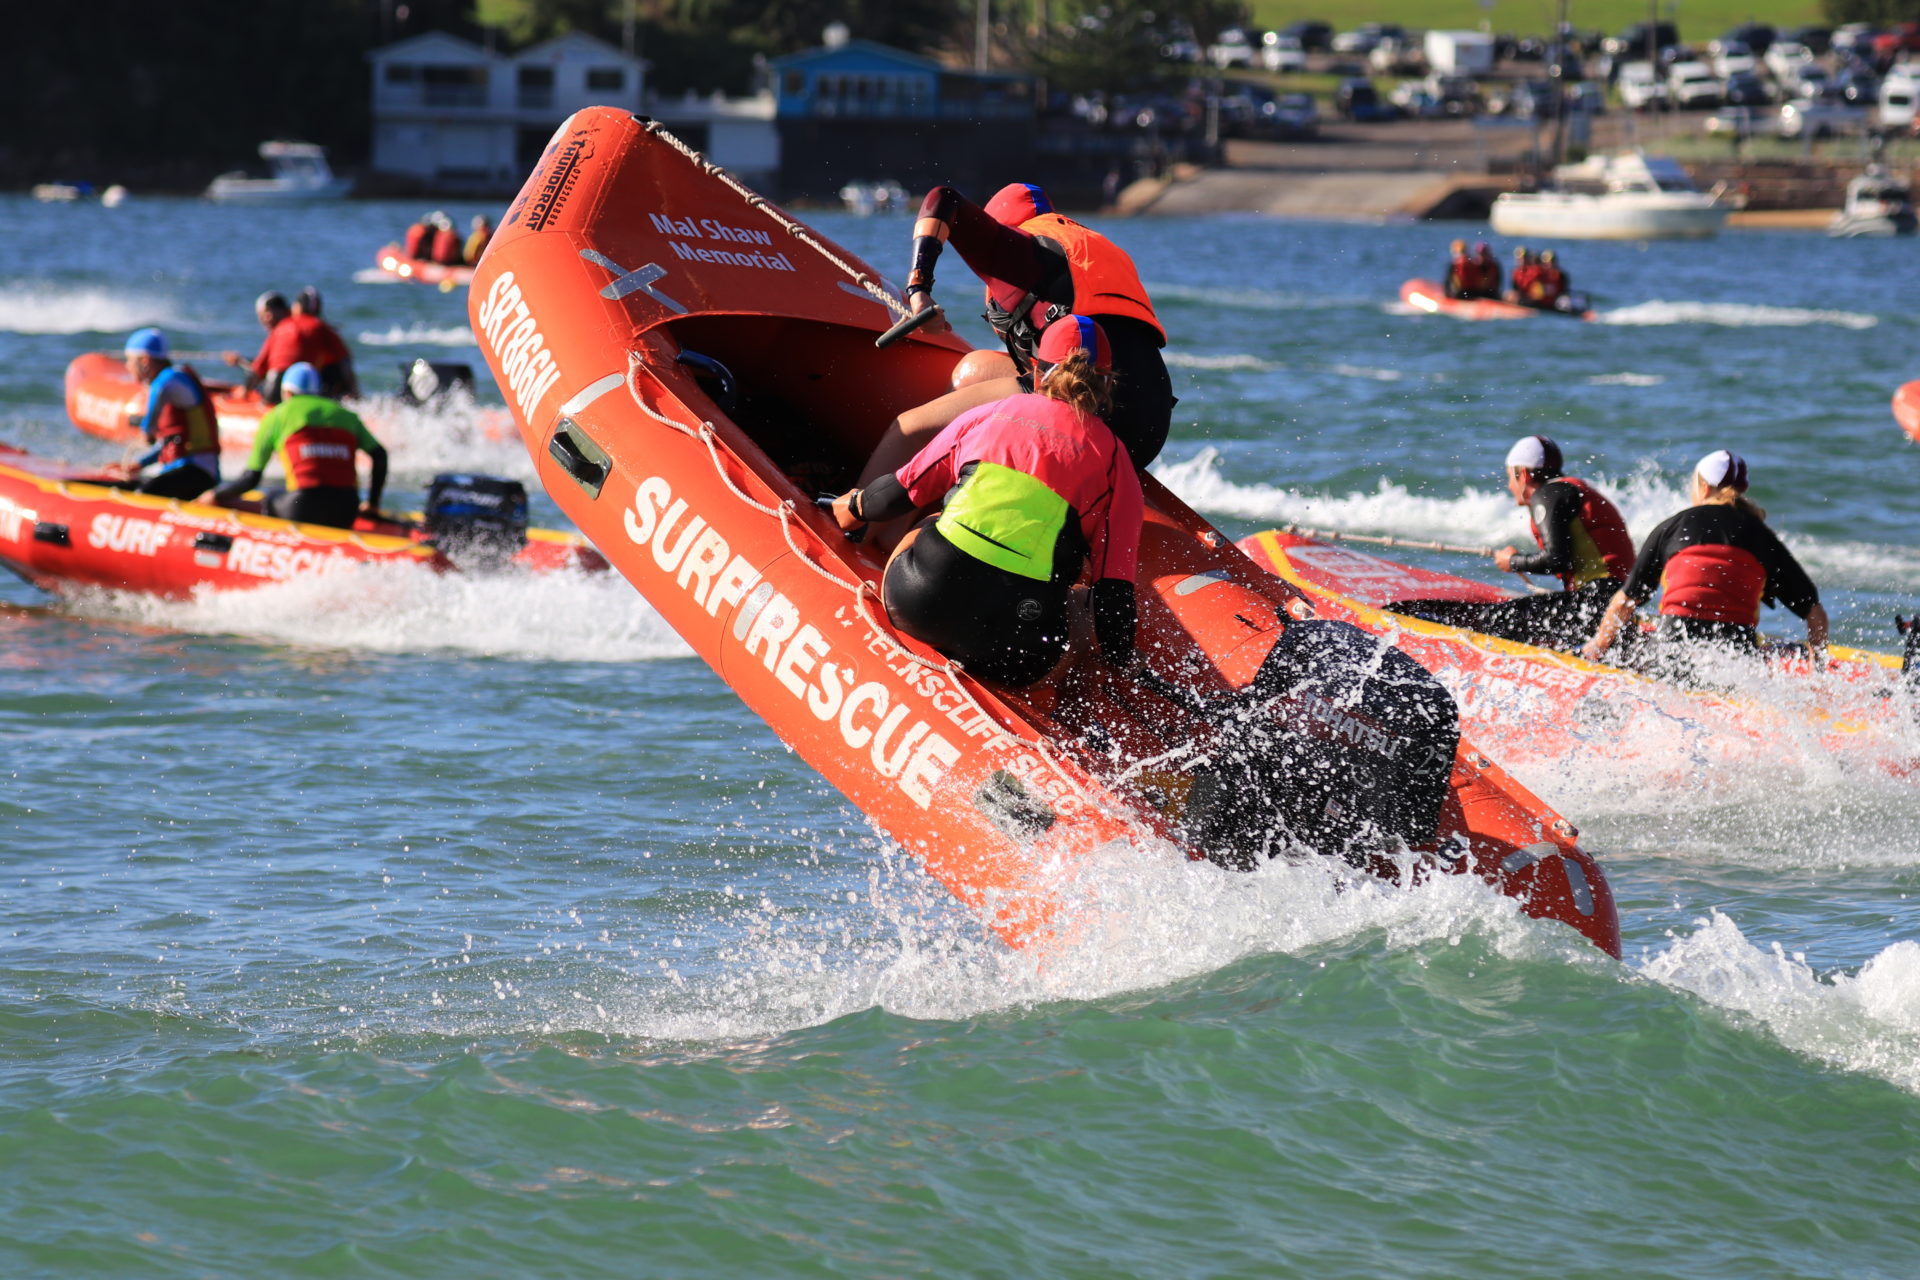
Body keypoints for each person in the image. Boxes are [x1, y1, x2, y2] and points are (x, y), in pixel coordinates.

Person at [831, 316, 1143, 688]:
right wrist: (1122, 663)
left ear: (1035, 370)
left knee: (933, 520)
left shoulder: (989, 414)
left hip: (918, 605)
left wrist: (852, 508)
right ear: (1107, 383)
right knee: (1080, 604)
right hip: (1016, 650)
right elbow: (1114, 596)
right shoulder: (1115, 463)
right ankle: (1069, 706)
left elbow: (897, 494)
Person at [856, 181, 1175, 492]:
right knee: (976, 367)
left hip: (1090, 417)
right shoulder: (1086, 250)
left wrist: (918, 291)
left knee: (910, 430)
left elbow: (943, 198)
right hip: (1149, 426)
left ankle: (857, 526)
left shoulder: (1021, 251)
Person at [1582, 450, 1827, 676]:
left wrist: (1597, 646)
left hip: (1672, 650)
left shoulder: (1672, 526)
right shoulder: (1762, 536)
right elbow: (1815, 613)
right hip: (1736, 658)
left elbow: (1625, 601)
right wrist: (1820, 670)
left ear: (1703, 487)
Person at [1394, 436, 1636, 654]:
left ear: (1524, 474)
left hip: (1595, 603)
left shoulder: (1548, 494)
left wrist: (1512, 562)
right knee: (1527, 617)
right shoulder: (1570, 491)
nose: (1510, 486)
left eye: (1510, 477)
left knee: (1498, 619)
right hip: (1613, 607)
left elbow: (1555, 559)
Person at [212, 362, 386, 529]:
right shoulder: (345, 414)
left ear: (287, 392)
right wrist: (372, 504)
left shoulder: (277, 415)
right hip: (347, 510)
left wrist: (215, 495)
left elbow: (250, 479)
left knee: (272, 496)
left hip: (302, 507)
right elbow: (380, 455)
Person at [120, 327, 220, 500]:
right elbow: (170, 442)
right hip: (179, 470)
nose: (127, 366)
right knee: (130, 487)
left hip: (199, 472)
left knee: (142, 495)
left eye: (129, 360)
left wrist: (148, 429)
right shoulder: (168, 385)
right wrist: (140, 464)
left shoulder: (173, 379)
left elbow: (161, 386)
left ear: (144, 360)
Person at [223, 290, 355, 404]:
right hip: (307, 392)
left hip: (273, 392)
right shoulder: (323, 327)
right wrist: (356, 395)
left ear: (295, 307)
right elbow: (345, 364)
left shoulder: (282, 326)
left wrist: (244, 393)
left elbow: (259, 368)